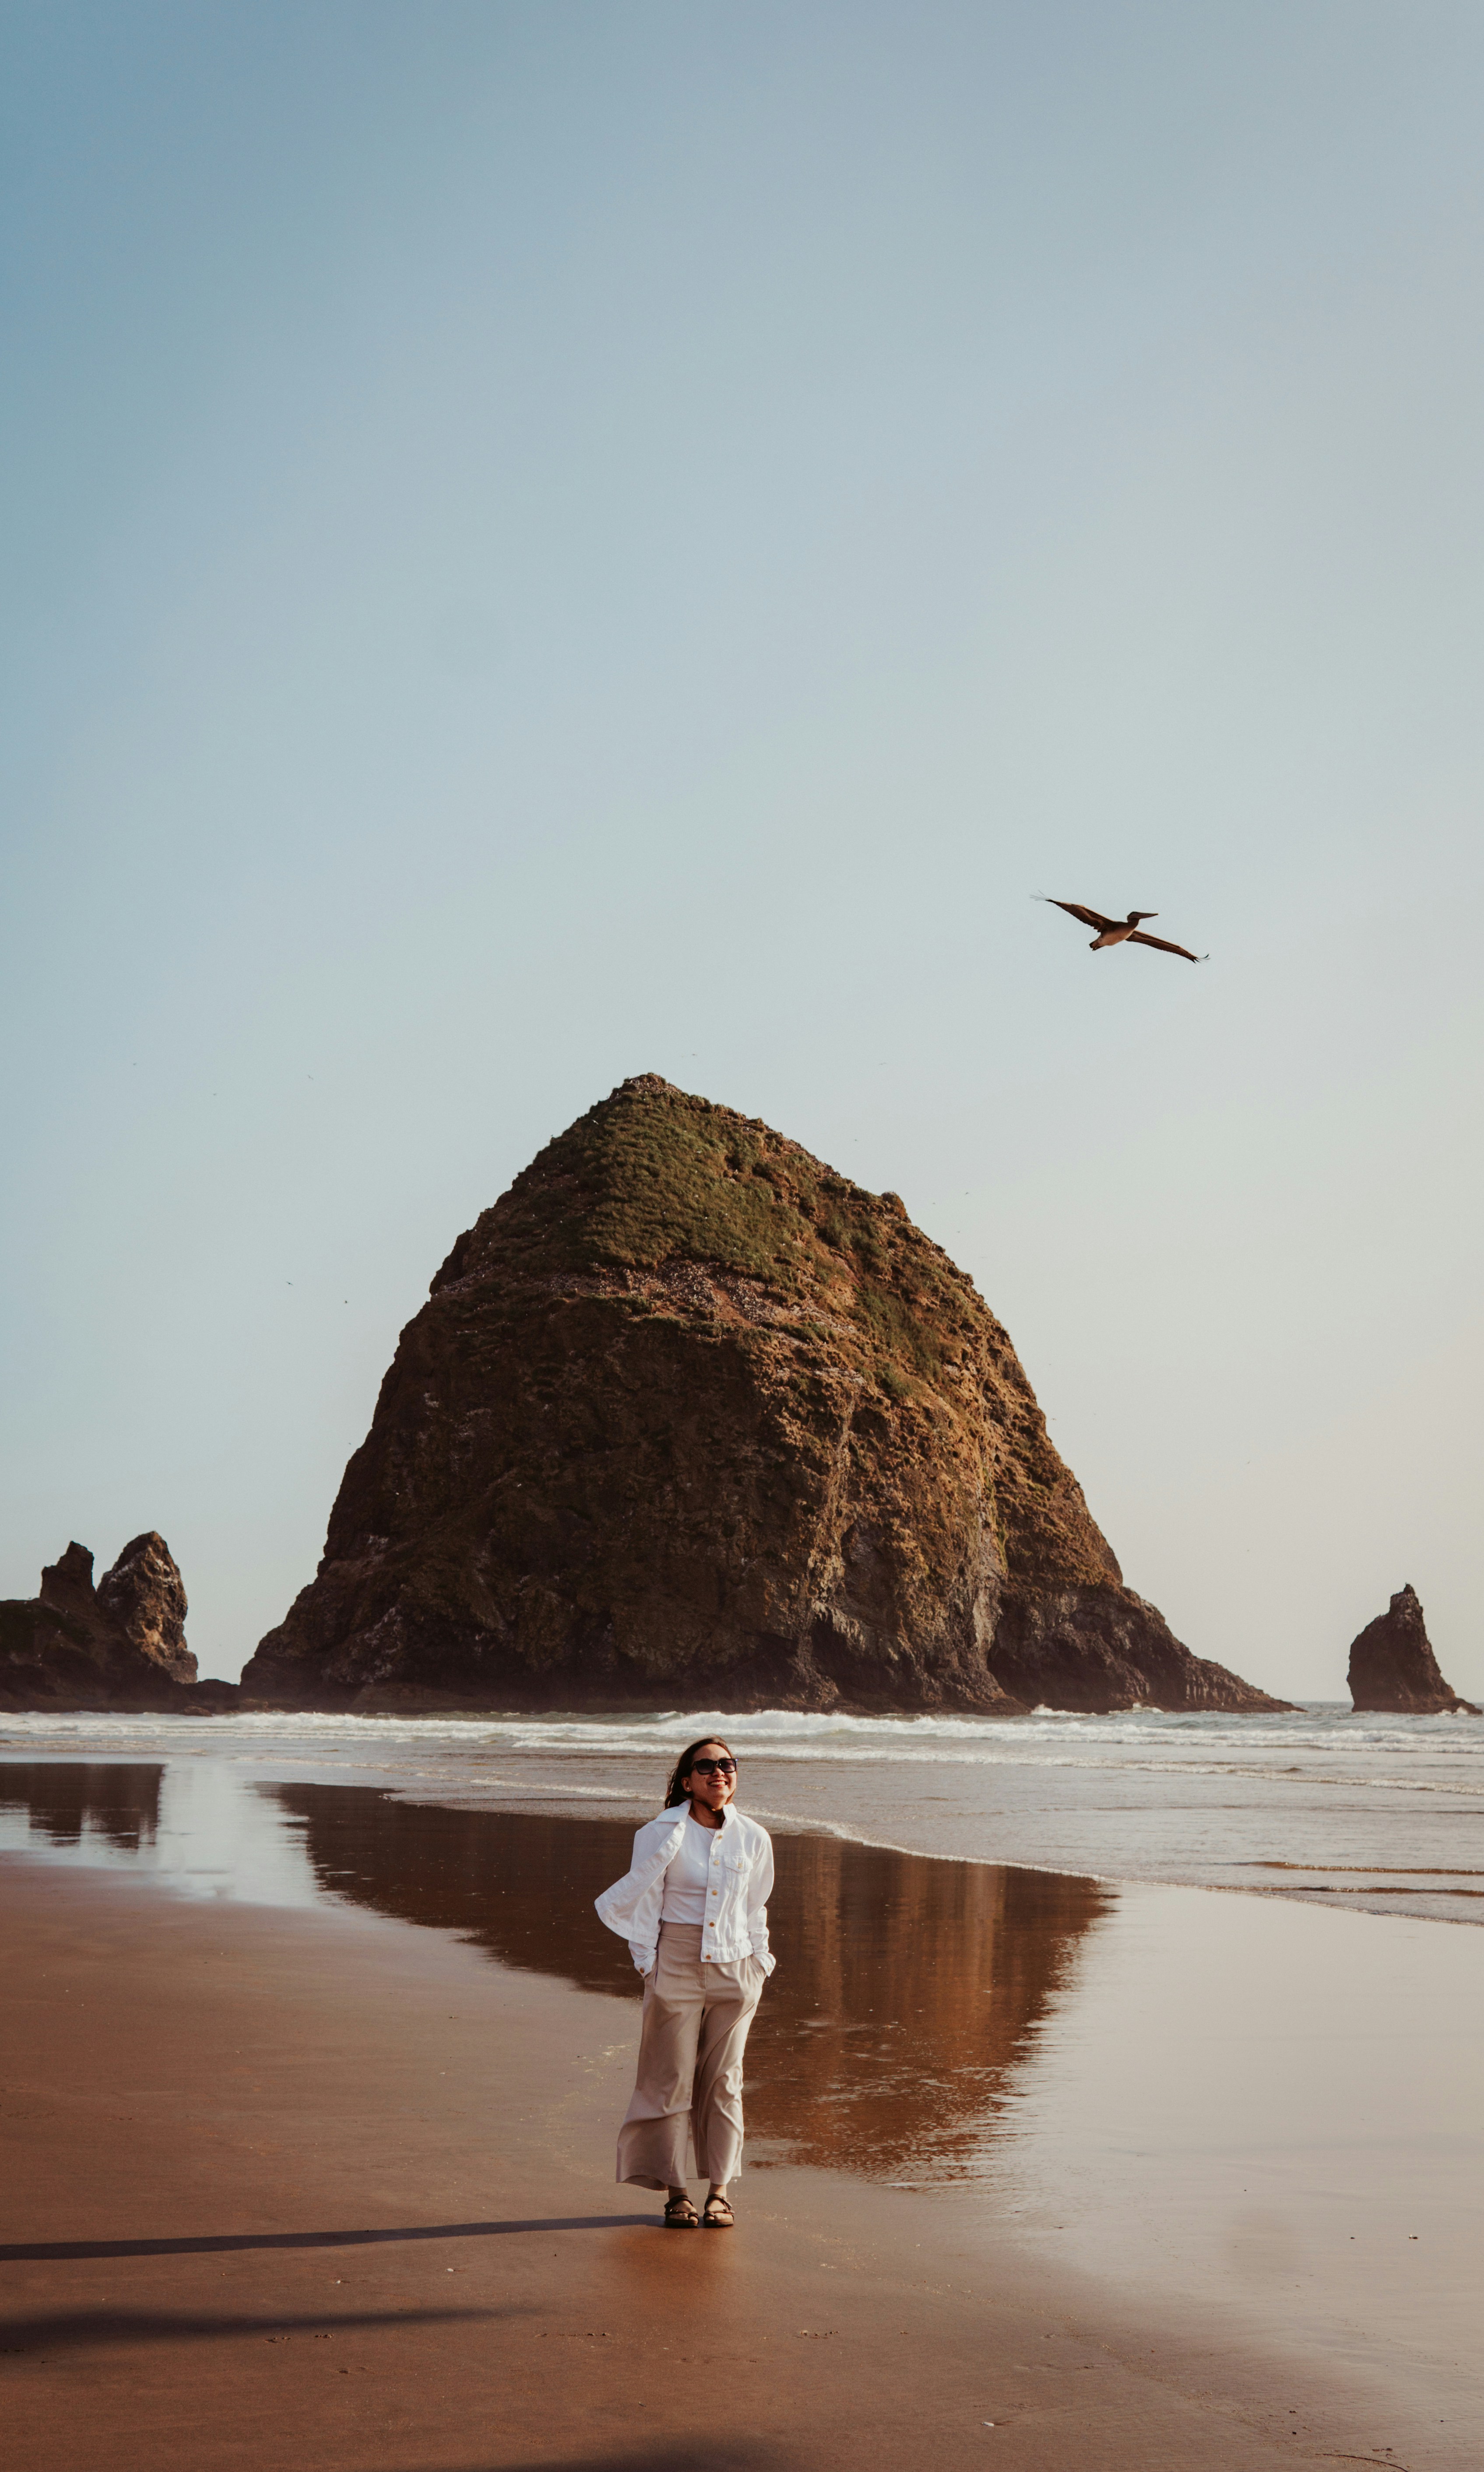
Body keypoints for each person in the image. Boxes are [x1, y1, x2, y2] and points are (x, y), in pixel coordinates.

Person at [594, 1737, 775, 2228]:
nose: (719, 1772)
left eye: (727, 1764)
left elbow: (756, 1905)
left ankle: (720, 2190)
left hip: (736, 1969)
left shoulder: (755, 1837)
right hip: (674, 1961)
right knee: (669, 2079)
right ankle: (677, 2193)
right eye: (706, 1766)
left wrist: (760, 1961)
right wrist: (648, 1965)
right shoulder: (658, 1833)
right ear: (687, 1780)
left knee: (724, 2083)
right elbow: (646, 1902)